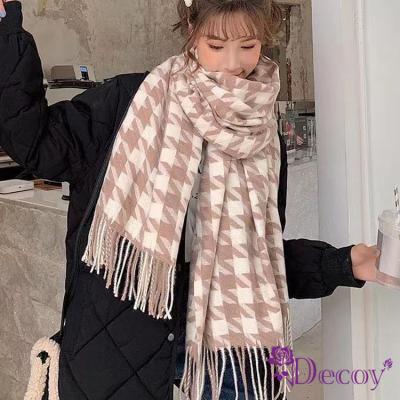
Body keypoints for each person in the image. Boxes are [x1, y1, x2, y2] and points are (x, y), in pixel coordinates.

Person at [0, 1, 379, 399]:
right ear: (192, 31)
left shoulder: (264, 138)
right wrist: (8, 32)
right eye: (216, 45)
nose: (232, 64)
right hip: (123, 331)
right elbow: (35, 144)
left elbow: (257, 260)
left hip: (228, 338)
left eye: (248, 45)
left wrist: (343, 263)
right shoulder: (128, 102)